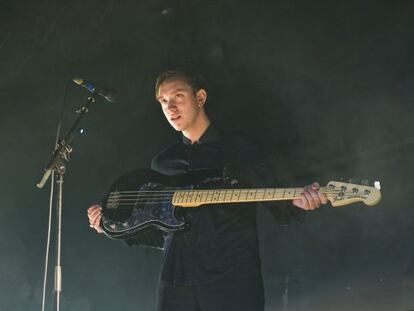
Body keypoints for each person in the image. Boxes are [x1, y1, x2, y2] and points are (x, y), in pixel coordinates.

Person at [87, 70, 328, 311]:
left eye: (178, 96)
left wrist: (301, 202)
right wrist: (111, 226)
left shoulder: (239, 150)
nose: (170, 107)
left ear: (200, 98)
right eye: (163, 101)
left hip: (233, 282)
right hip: (175, 284)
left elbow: (280, 206)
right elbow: (160, 234)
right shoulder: (162, 165)